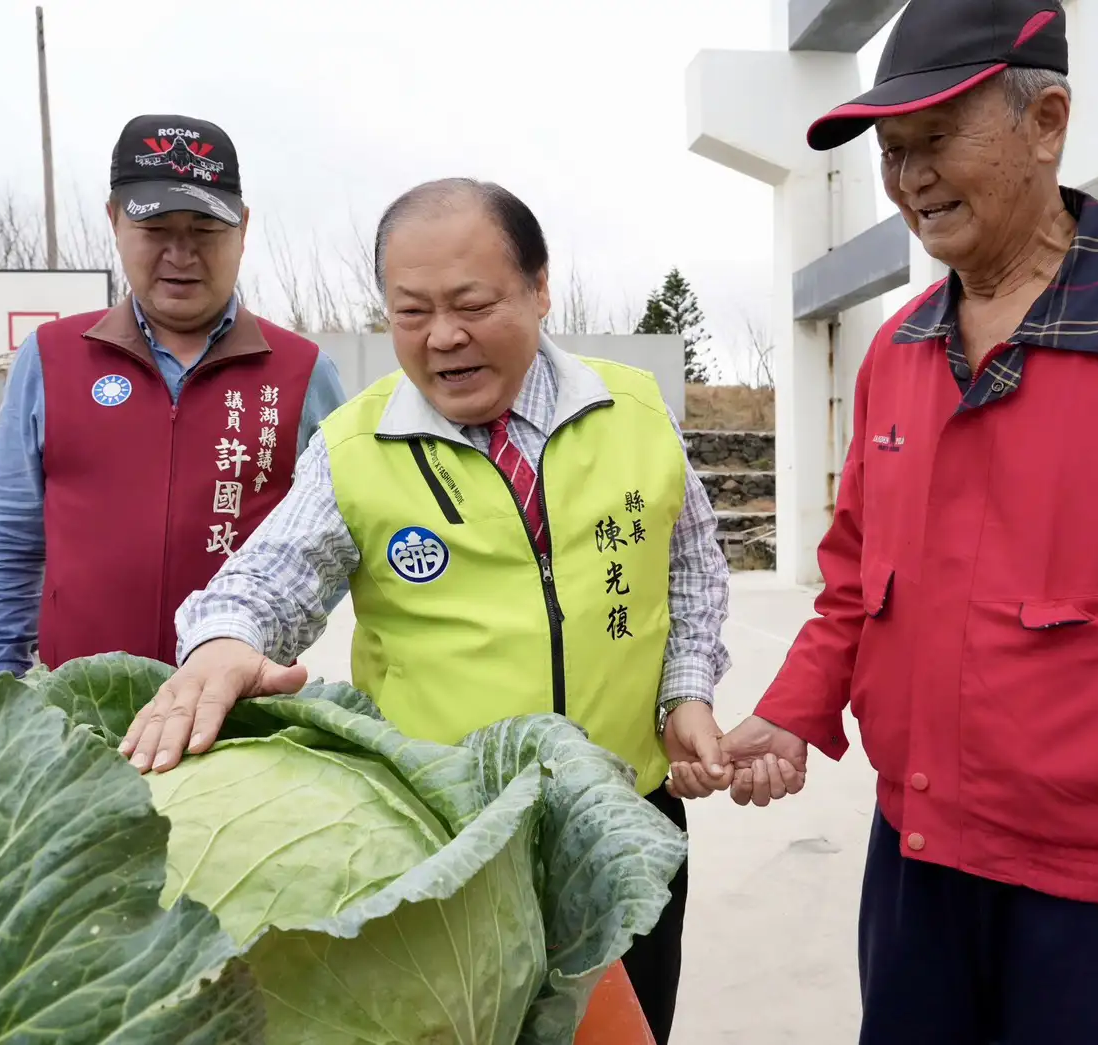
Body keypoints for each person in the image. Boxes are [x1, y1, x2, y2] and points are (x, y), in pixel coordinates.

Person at [681, 2, 1098, 1044]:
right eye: (891, 154)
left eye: (935, 139)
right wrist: (796, 708)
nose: (908, 181)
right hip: (915, 850)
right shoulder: (897, 349)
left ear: (1046, 120)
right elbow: (857, 580)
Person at [118, 177, 733, 1044]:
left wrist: (686, 693)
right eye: (410, 312)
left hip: (626, 820)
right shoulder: (357, 447)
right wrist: (223, 642)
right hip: (452, 859)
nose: (442, 337)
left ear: (539, 287)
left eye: (471, 303)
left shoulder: (634, 410)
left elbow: (691, 571)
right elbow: (267, 578)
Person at [0, 113, 347, 677]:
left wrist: (271, 643)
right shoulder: (50, 356)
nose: (181, 254)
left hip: (243, 715)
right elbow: (7, 531)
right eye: (156, 229)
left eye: (204, 230)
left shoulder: (304, 371)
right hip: (76, 711)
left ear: (242, 229)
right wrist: (1, 677)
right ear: (115, 220)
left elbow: (339, 538)